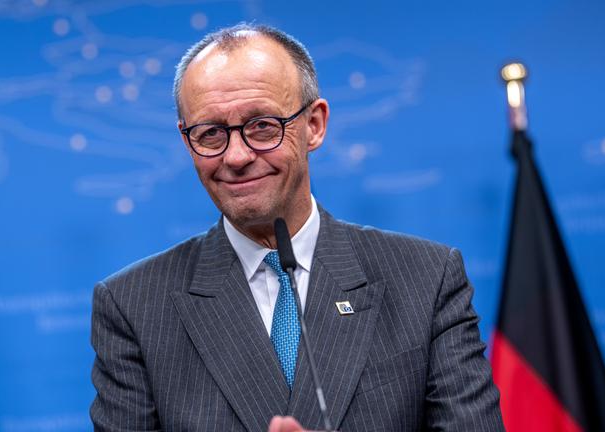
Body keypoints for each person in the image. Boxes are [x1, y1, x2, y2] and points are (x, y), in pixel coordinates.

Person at [90, 23, 504, 431]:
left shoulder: (425, 278)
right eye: (212, 133)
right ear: (187, 141)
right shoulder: (133, 306)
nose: (236, 156)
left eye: (262, 127)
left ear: (314, 125)